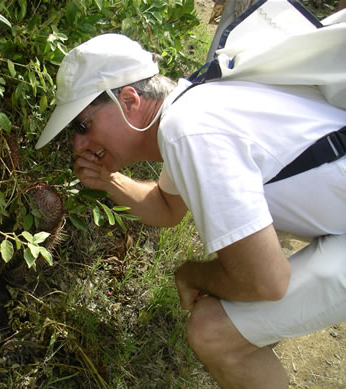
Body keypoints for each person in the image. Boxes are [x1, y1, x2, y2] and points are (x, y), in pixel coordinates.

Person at [34, 33, 346, 389]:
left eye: (82, 125)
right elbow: (167, 208)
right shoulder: (194, 105)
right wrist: (109, 180)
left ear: (129, 100)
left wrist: (192, 274)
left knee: (214, 332)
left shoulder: (189, 130)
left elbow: (266, 281)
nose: (77, 144)